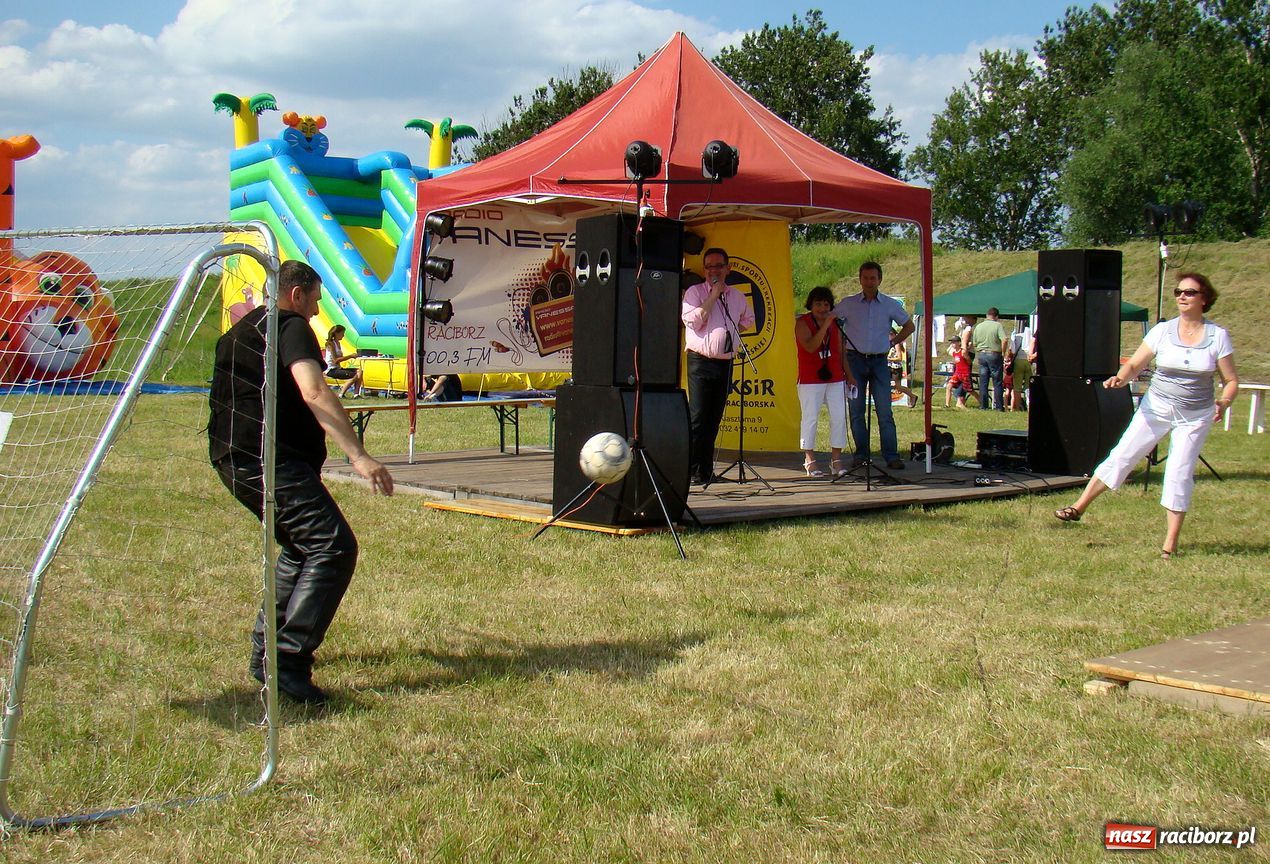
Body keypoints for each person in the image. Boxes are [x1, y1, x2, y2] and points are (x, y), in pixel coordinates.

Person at [208, 260, 395, 704]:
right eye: (315, 299)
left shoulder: (241, 331)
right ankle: (288, 663)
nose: (316, 309)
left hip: (234, 459)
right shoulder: (289, 325)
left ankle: (265, 654)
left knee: (300, 547)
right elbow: (313, 390)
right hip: (268, 460)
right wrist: (359, 456)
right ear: (296, 295)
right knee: (333, 548)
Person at [1053, 272, 1238, 560]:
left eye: (1189, 292)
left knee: (1178, 471)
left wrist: (1224, 401)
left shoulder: (1218, 337)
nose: (1181, 297)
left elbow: (1231, 380)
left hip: (1195, 415)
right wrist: (1121, 378)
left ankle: (1170, 544)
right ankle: (1079, 506)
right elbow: (1136, 363)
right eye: (1178, 292)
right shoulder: (1163, 331)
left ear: (1204, 299)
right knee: (1123, 454)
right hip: (1158, 406)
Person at [681, 247, 755, 485]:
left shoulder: (737, 296)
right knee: (698, 418)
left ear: (727, 269)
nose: (714, 270)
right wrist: (713, 295)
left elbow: (748, 320)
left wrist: (730, 334)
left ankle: (706, 470)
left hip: (725, 363)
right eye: (710, 266)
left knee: (714, 419)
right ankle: (691, 471)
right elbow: (691, 321)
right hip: (700, 362)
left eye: (719, 266)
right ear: (705, 270)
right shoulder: (694, 293)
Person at [832, 261, 914, 470]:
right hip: (854, 360)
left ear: (880, 280)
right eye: (866, 278)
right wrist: (839, 344)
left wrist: (893, 342)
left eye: (873, 278)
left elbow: (909, 325)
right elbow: (829, 320)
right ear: (860, 279)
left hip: (879, 361)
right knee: (857, 411)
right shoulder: (848, 303)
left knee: (885, 411)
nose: (869, 282)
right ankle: (861, 455)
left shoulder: (889, 304)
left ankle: (891, 455)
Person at [794, 286, 855, 477]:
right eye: (818, 304)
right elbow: (811, 346)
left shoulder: (836, 325)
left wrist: (849, 375)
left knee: (839, 417)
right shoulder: (803, 323)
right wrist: (826, 325)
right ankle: (809, 459)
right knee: (811, 417)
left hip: (835, 376)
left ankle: (836, 459)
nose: (822, 308)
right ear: (810, 305)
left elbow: (841, 352)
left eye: (826, 304)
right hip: (810, 378)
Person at [972, 307, 1008, 410]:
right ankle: (999, 406)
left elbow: (974, 343)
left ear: (987, 315)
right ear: (996, 316)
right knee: (997, 381)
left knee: (983, 381)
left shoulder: (979, 326)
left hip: (982, 354)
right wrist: (1003, 352)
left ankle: (983, 405)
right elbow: (1004, 340)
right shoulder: (997, 325)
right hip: (994, 354)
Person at [322, 324, 364, 398]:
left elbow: (339, 359)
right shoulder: (330, 344)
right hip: (331, 370)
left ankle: (356, 394)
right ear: (336, 333)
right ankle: (342, 393)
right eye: (342, 333)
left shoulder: (338, 343)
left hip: (338, 368)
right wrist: (350, 356)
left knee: (360, 371)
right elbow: (336, 360)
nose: (343, 336)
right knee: (356, 375)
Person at [944, 336, 978, 408]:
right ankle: (947, 404)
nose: (952, 344)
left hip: (964, 373)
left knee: (970, 390)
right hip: (957, 373)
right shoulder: (954, 353)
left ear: (959, 343)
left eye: (954, 342)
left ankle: (982, 401)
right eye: (952, 342)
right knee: (949, 386)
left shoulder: (963, 352)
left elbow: (969, 362)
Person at [1007, 324, 1034, 411]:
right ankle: (1029, 406)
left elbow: (1012, 350)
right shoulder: (1032, 336)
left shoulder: (1016, 336)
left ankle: (1017, 407)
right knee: (1029, 385)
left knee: (1017, 387)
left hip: (1018, 361)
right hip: (1029, 361)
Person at [888, 341, 918, 407]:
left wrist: (888, 359)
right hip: (888, 368)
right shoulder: (887, 343)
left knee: (898, 387)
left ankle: (912, 396)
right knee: (884, 385)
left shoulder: (896, 344)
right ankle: (883, 405)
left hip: (896, 369)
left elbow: (899, 358)